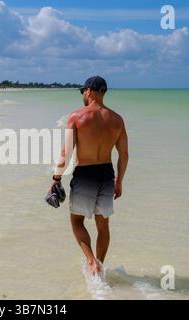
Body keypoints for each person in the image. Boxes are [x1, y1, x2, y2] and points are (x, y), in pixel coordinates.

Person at [51, 76, 129, 276]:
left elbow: (66, 153)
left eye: (83, 92)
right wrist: (119, 181)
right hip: (106, 174)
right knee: (103, 224)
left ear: (89, 91)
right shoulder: (117, 119)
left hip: (85, 173)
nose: (82, 96)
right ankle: (100, 267)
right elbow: (124, 155)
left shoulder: (77, 116)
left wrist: (56, 178)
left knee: (77, 221)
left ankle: (91, 261)